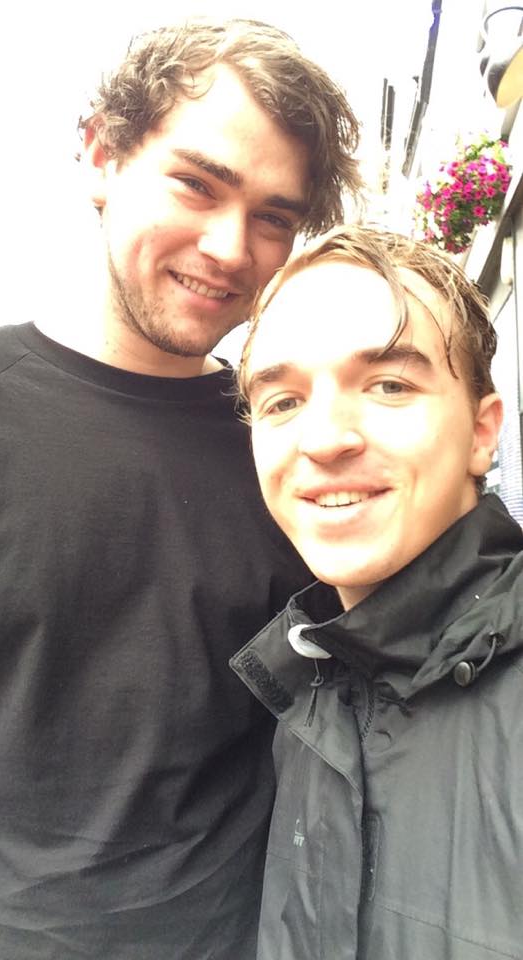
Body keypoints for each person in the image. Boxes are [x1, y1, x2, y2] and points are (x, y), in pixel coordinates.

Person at [0, 20, 361, 960]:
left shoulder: (295, 447)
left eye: (274, 216)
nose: (231, 248)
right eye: (197, 184)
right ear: (102, 155)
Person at [233, 225, 523, 959]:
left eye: (390, 385)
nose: (324, 439)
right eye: (282, 401)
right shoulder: (308, 684)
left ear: (482, 433)